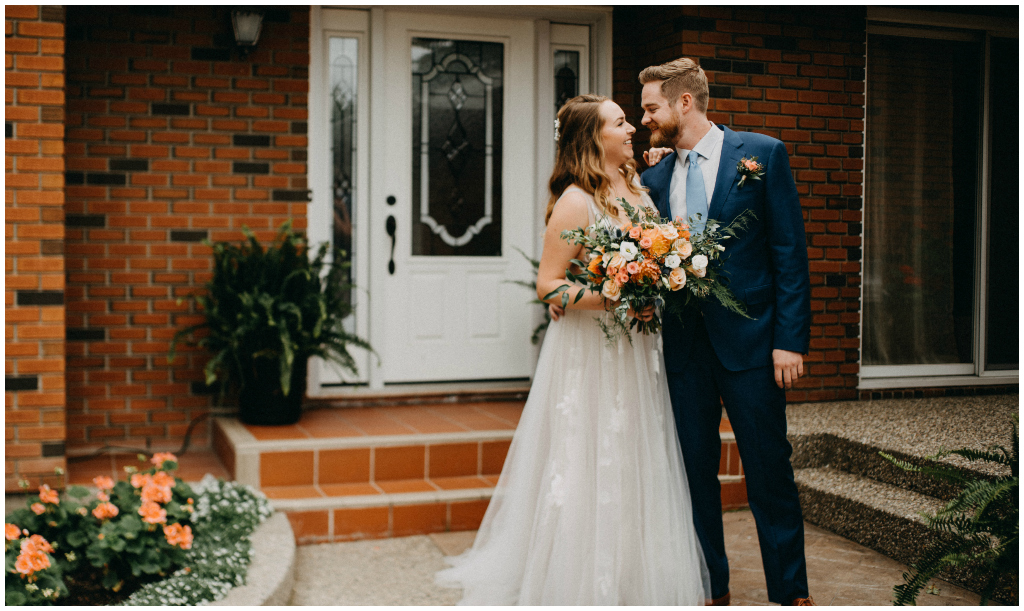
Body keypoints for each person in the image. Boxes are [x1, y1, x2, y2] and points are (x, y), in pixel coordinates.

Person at [435, 94, 710, 605]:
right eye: (620, 122)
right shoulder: (575, 201)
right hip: (592, 352)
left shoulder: (640, 190)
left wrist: (651, 291)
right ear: (593, 138)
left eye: (629, 120)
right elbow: (549, 285)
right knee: (588, 454)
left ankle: (634, 573)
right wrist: (613, 298)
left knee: (636, 456)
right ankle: (579, 577)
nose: (631, 128)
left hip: (638, 352)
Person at [638, 58, 814, 606]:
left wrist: (789, 340)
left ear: (683, 103)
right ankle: (712, 591)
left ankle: (791, 594)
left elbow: (789, 254)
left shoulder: (761, 155)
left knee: (768, 474)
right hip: (685, 351)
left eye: (651, 108)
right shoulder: (654, 177)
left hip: (755, 346)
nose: (645, 119)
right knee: (695, 476)